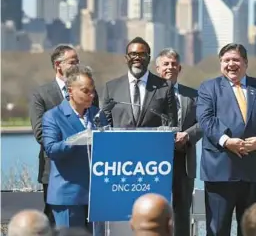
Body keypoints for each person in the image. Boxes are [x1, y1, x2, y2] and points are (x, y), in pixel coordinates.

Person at [196, 43, 256, 236]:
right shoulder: (208, 88)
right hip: (220, 171)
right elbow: (206, 119)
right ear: (220, 64)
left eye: (236, 60)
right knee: (218, 229)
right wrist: (226, 141)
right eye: (226, 60)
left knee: (254, 230)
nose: (231, 64)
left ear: (245, 63)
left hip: (254, 171)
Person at [29, 44, 99, 226]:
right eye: (72, 62)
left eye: (78, 61)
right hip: (59, 177)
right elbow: (42, 135)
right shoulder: (42, 95)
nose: (76, 65)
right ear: (58, 65)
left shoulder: (92, 100)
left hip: (92, 184)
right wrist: (79, 139)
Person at [42, 65, 107, 233]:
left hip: (98, 195)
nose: (91, 95)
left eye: (93, 91)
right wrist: (76, 140)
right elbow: (51, 150)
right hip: (68, 195)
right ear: (70, 91)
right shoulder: (53, 116)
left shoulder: (97, 114)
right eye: (86, 91)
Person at [155, 48, 202, 236]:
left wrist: (187, 135)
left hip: (184, 161)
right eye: (165, 64)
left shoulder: (193, 95)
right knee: (155, 209)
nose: (170, 67)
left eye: (174, 64)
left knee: (182, 212)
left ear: (180, 68)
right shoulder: (149, 96)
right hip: (155, 162)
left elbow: (204, 122)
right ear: (157, 68)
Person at [102, 37, 177, 128]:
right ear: (126, 58)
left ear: (149, 59)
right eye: (133, 54)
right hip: (120, 142)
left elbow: (171, 124)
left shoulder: (164, 87)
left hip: (152, 141)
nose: (137, 58)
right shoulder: (111, 88)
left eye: (142, 54)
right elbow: (104, 125)